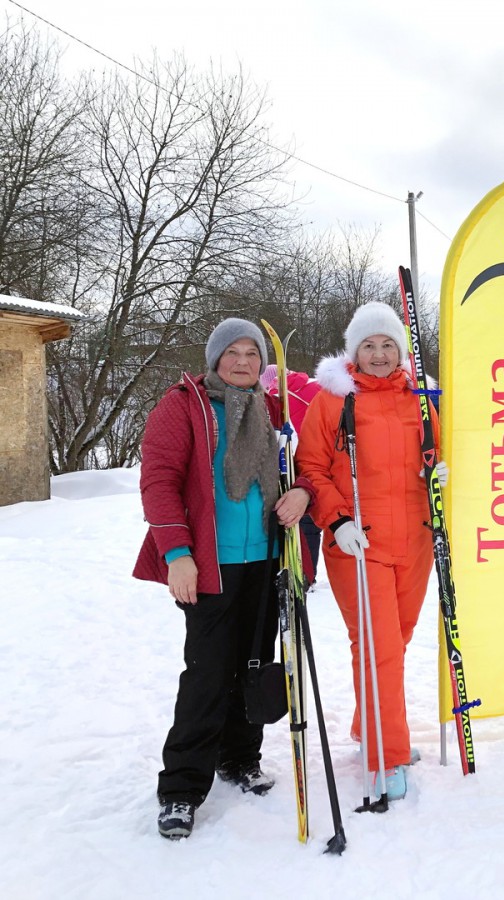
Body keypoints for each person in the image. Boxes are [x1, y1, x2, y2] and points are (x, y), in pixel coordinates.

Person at [134, 318, 314, 840]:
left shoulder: (272, 408)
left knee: (254, 664)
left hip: (266, 561)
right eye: (232, 353)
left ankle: (239, 758)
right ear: (214, 359)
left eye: (251, 354)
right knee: (208, 673)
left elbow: (304, 465)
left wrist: (302, 491)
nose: (242, 362)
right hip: (207, 565)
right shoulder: (184, 405)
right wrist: (176, 554)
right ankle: (181, 789)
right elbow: (159, 479)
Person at [295, 301, 444, 802]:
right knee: (380, 649)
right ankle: (386, 755)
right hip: (358, 544)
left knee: (393, 643)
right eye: (369, 346)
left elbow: (435, 454)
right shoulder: (333, 401)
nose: (379, 355)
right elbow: (311, 468)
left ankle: (371, 727)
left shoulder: (420, 399)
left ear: (400, 350)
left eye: (387, 345)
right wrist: (335, 521)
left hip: (415, 539)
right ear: (353, 351)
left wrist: (439, 473)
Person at [261, 363, 324, 569]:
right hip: (326, 451)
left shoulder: (275, 395)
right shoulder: (313, 386)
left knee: (305, 520)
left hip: (299, 455)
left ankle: (308, 571)